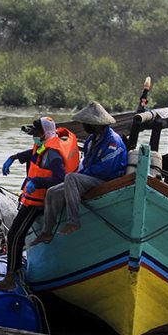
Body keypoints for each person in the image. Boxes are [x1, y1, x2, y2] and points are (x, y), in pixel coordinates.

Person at [0, 117, 79, 291]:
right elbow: (33, 154)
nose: (34, 136)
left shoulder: (53, 153)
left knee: (15, 235)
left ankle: (10, 279)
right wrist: (14, 157)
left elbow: (60, 179)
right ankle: (13, 271)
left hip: (39, 202)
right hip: (33, 198)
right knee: (15, 234)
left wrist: (37, 182)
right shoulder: (45, 144)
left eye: (37, 133)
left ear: (44, 133)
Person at [30, 102, 128, 246]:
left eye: (86, 123)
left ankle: (73, 221)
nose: (84, 126)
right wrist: (82, 174)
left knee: (71, 177)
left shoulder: (113, 141)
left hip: (107, 181)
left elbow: (105, 169)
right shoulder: (91, 140)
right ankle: (47, 231)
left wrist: (82, 174)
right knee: (53, 192)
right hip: (90, 178)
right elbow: (86, 163)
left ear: (96, 124)